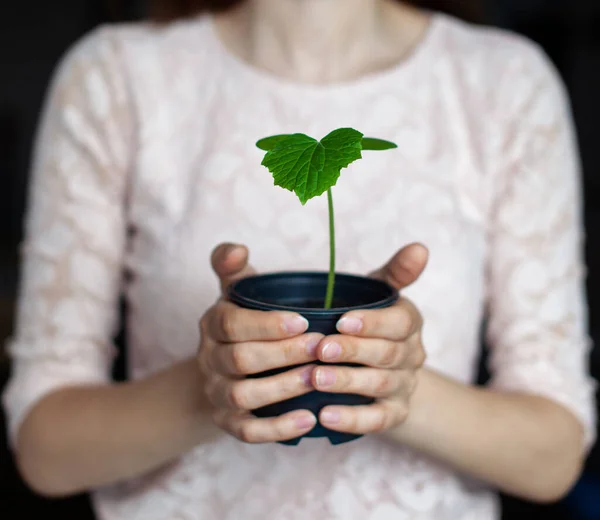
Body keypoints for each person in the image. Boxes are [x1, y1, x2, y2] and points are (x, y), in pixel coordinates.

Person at [2, 0, 596, 518]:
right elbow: (45, 451)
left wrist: (394, 382)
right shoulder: (115, 77)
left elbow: (553, 459)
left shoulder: (504, 84)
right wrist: (214, 383)